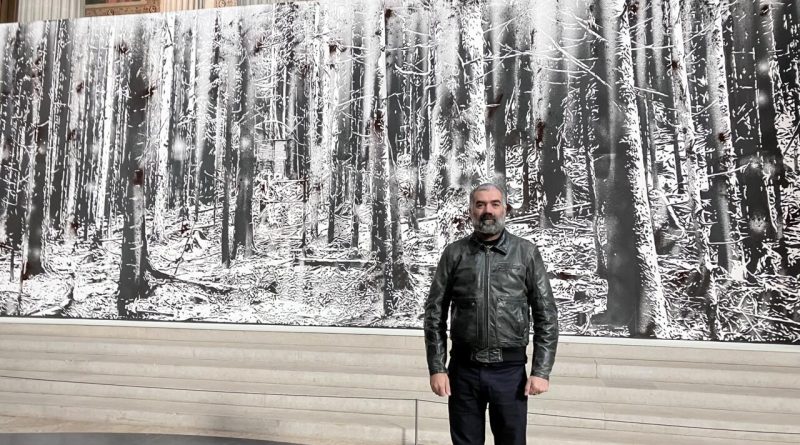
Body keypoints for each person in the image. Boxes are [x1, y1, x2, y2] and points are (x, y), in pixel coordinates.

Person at [424, 183, 559, 445]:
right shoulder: (454, 254)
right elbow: (434, 314)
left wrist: (541, 371)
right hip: (463, 371)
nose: (488, 210)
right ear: (471, 211)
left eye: (495, 204)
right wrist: (437, 367)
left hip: (509, 373)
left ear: (505, 209)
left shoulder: (526, 253)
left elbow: (546, 315)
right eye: (480, 204)